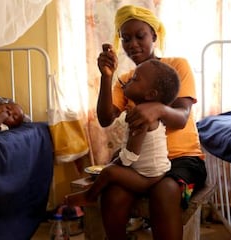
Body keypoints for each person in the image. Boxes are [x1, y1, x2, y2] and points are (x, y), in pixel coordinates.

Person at [95, 5, 207, 240]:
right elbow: (105, 119)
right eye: (125, 39)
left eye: (140, 36)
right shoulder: (127, 81)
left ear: (154, 36)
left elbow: (181, 118)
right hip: (140, 163)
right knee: (113, 194)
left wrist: (158, 108)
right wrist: (106, 77)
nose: (132, 44)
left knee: (164, 190)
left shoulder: (176, 66)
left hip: (182, 159)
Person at [65, 59, 180, 207]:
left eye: (135, 79)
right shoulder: (142, 113)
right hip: (149, 171)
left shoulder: (142, 119)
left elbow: (131, 155)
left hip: (148, 178)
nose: (128, 80)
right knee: (114, 160)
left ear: (150, 94)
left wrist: (113, 165)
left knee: (108, 172)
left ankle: (90, 196)